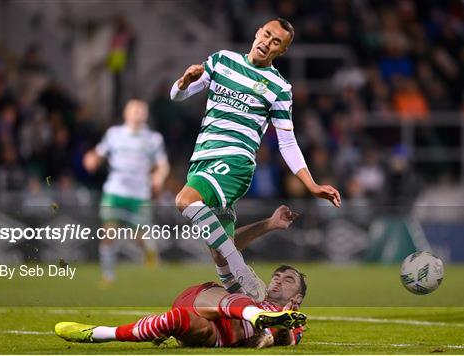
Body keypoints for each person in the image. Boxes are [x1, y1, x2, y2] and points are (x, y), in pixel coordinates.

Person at [169, 18, 341, 300]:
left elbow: (287, 141)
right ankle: (253, 311)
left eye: (276, 42)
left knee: (184, 200)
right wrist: (184, 81)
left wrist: (310, 184)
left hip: (235, 163)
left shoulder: (278, 87)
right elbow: (177, 96)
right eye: (267, 34)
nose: (267, 42)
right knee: (221, 249)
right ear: (257, 32)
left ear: (281, 51)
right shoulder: (222, 61)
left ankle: (242, 272)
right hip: (202, 159)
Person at [55, 205, 307, 348]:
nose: (278, 280)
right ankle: (254, 314)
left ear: (296, 299)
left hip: (213, 334)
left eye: (288, 280)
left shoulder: (294, 319)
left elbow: (287, 338)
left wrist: (276, 332)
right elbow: (225, 248)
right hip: (204, 299)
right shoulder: (257, 290)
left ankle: (98, 333)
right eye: (278, 275)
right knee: (233, 275)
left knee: (177, 320)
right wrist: (269, 224)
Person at [83, 99, 170, 284]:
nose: (138, 113)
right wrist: (92, 158)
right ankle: (108, 276)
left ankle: (150, 252)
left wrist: (158, 178)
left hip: (139, 194)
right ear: (126, 113)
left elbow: (163, 166)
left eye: (141, 110)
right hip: (115, 191)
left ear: (146, 114)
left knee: (139, 236)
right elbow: (99, 153)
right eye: (134, 109)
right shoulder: (114, 134)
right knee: (109, 232)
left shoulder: (153, 139)